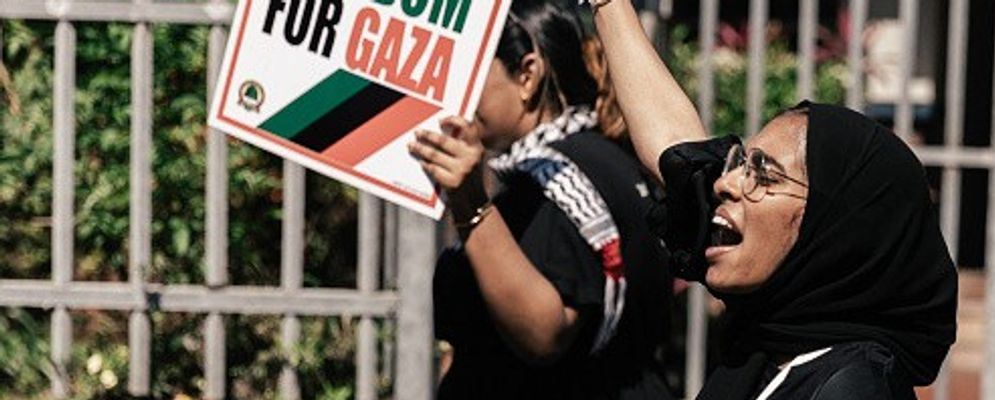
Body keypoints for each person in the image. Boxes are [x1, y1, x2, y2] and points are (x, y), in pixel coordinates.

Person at [588, 0, 958, 398]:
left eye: (763, 173)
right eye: (741, 163)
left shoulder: (852, 389)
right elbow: (678, 155)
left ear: (834, 231)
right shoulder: (777, 336)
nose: (725, 183)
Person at [406, 1, 673, 399]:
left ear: (527, 74)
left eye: (469, 71)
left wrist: (471, 208)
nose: (452, 91)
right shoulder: (607, 158)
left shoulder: (554, 180)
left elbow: (542, 332)